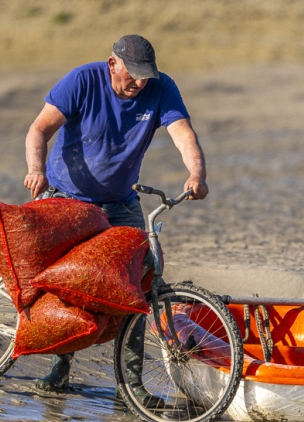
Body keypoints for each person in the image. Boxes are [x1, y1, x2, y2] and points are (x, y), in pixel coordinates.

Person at [23, 34, 208, 393]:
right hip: (68, 197)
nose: (139, 83)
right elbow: (39, 129)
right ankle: (59, 366)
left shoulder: (161, 88)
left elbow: (184, 135)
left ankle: (132, 387)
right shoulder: (82, 80)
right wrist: (36, 169)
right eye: (133, 74)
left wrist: (197, 175)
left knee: (138, 284)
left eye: (146, 76)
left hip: (121, 201)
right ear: (113, 65)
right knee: (69, 284)